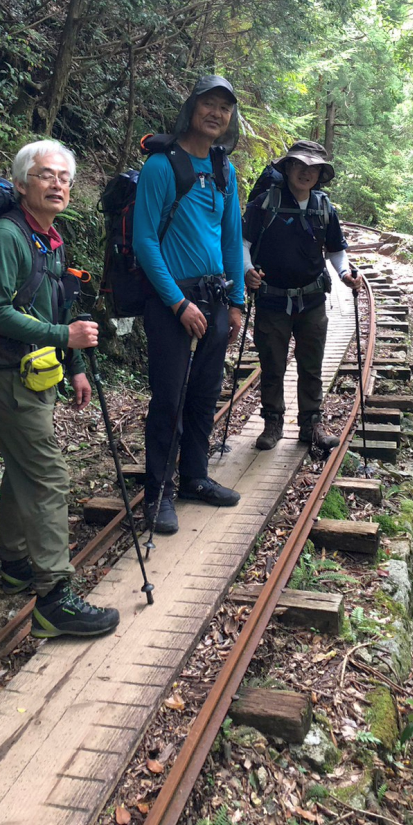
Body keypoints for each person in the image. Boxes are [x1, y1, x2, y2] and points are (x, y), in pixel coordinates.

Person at [0, 140, 120, 639]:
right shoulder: (4, 236)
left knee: (22, 470)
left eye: (65, 178)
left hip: (37, 375)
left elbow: (55, 309)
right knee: (49, 476)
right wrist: (64, 339)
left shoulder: (49, 239)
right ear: (20, 185)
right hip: (7, 377)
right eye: (46, 175)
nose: (59, 184)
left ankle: (16, 562)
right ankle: (54, 599)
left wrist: (74, 362)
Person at [133, 76, 245, 535]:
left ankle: (194, 477)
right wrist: (178, 304)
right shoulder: (162, 165)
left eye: (225, 107)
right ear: (191, 108)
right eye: (208, 104)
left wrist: (236, 300)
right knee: (169, 397)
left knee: (204, 392)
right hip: (171, 300)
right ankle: (157, 493)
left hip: (215, 296)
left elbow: (232, 238)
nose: (216, 113)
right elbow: (144, 240)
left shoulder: (224, 170)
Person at [242, 139, 363, 452]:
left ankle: (310, 425)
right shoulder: (265, 203)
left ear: (320, 174)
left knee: (311, 365)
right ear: (289, 167)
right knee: (272, 363)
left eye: (314, 168)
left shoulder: (324, 207)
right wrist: (246, 271)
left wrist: (345, 275)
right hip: (271, 298)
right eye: (300, 165)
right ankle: (273, 424)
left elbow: (336, 251)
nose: (306, 172)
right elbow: (242, 243)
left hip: (312, 300)